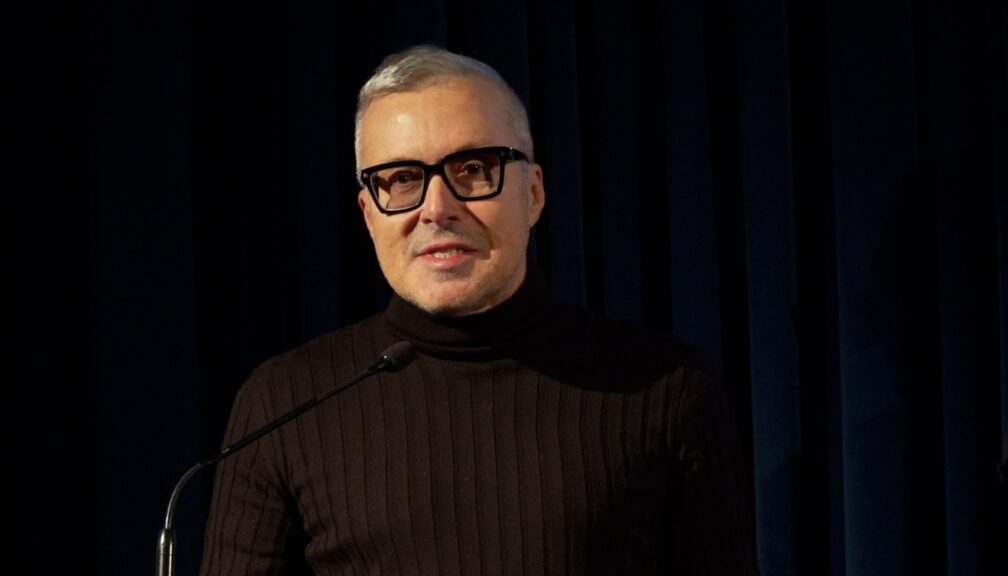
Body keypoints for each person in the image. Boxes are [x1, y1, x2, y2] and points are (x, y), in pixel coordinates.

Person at [199, 44, 758, 575]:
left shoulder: (667, 388)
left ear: (533, 193)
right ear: (369, 214)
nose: (436, 208)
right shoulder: (283, 403)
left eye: (472, 169)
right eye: (402, 180)